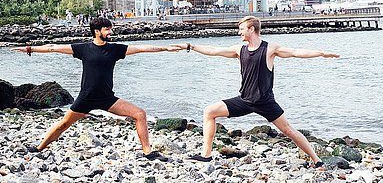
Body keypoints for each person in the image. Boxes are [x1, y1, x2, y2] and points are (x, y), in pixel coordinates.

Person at [12, 16, 180, 161]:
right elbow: (52, 47)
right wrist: (29, 49)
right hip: (86, 98)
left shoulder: (115, 49)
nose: (110, 32)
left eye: (110, 29)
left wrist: (166, 48)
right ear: (97, 31)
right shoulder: (83, 49)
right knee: (63, 125)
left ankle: (148, 152)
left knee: (140, 114)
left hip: (107, 98)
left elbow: (142, 48)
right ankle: (39, 148)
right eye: (107, 29)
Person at [179, 16, 340, 167]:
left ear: (251, 29)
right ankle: (206, 155)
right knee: (209, 111)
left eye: (242, 29)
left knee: (288, 130)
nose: (239, 32)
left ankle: (317, 160)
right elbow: (214, 51)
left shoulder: (270, 49)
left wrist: (322, 53)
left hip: (265, 102)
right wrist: (191, 46)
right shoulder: (239, 50)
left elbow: (295, 52)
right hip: (245, 100)